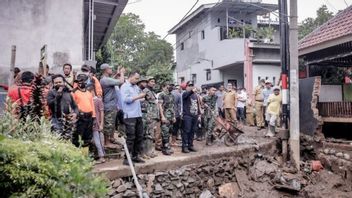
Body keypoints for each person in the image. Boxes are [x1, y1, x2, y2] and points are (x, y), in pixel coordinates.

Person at [120, 71, 146, 165]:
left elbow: (136, 98)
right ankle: (126, 158)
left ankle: (135, 156)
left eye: (138, 78)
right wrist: (139, 96)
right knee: (131, 137)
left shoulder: (135, 87)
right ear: (130, 77)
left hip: (138, 114)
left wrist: (140, 98)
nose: (137, 80)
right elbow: (126, 100)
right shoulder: (124, 87)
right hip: (129, 115)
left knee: (139, 136)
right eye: (136, 78)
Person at [99, 63, 125, 147]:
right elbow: (121, 81)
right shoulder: (105, 80)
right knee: (108, 124)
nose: (111, 70)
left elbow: (111, 81)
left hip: (111, 105)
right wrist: (122, 73)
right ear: (106, 70)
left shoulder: (105, 79)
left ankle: (110, 139)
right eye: (110, 68)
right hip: (109, 105)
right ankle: (107, 143)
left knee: (112, 123)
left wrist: (116, 75)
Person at [47, 74, 78, 139]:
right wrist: (58, 94)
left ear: (64, 82)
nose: (58, 84)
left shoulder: (68, 93)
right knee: (58, 140)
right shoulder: (51, 93)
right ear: (53, 84)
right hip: (56, 120)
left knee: (68, 140)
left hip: (68, 121)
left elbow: (75, 106)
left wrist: (75, 113)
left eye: (60, 82)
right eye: (56, 83)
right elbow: (51, 104)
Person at [71, 74, 95, 147]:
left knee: (88, 137)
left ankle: (86, 155)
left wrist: (94, 116)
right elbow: (72, 106)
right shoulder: (74, 92)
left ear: (86, 82)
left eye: (83, 81)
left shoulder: (89, 93)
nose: (81, 83)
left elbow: (92, 104)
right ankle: (77, 153)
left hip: (89, 116)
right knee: (78, 136)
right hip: (80, 117)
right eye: (79, 81)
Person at [140, 76, 159, 158]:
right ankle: (147, 152)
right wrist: (147, 115)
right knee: (147, 134)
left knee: (151, 134)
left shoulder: (151, 91)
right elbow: (143, 104)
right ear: (147, 82)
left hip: (153, 115)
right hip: (148, 116)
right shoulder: (145, 91)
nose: (153, 83)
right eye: (151, 81)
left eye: (154, 81)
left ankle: (150, 151)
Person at [88, 85, 106, 164]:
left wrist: (101, 123)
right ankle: (100, 155)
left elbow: (102, 112)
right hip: (92, 123)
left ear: (92, 91)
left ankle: (101, 156)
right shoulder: (91, 100)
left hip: (96, 123)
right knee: (96, 140)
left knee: (97, 140)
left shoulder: (97, 100)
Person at [181, 81, 200, 153]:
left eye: (192, 85)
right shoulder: (185, 93)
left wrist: (199, 114)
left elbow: (197, 104)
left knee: (193, 131)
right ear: (186, 86)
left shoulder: (195, 95)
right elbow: (186, 95)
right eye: (189, 85)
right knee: (187, 131)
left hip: (195, 115)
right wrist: (192, 91)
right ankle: (184, 146)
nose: (191, 86)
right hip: (187, 115)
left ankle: (190, 145)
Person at [158, 82, 176, 155]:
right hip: (165, 116)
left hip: (171, 117)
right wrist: (162, 116)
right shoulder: (162, 94)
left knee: (169, 132)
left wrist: (174, 116)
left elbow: (172, 106)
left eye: (172, 85)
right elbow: (160, 106)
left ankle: (167, 146)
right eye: (170, 85)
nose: (171, 87)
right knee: (165, 132)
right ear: (165, 86)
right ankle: (165, 148)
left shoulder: (172, 95)